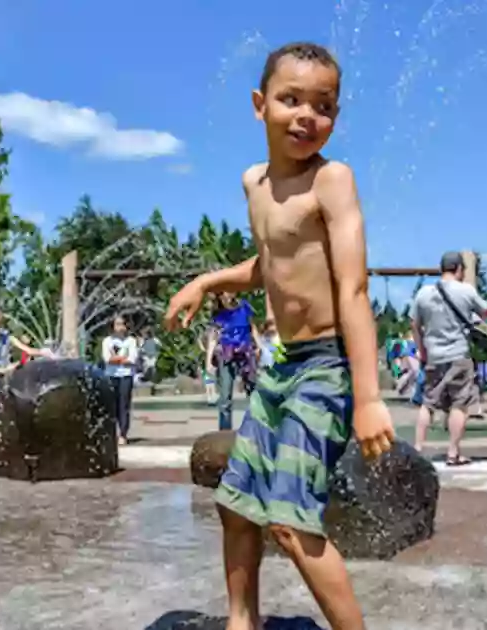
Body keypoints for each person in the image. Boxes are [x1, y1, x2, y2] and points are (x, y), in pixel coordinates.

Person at [162, 41, 394, 630]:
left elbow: (354, 290)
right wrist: (207, 281)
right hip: (284, 364)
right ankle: (244, 623)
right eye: (291, 100)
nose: (306, 115)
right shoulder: (255, 184)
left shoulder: (332, 180)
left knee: (289, 520)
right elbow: (270, 262)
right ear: (260, 104)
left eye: (323, 105)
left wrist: (367, 398)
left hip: (327, 366)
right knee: (236, 503)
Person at [412, 251, 487, 465]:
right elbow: (486, 313)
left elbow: (415, 325)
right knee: (459, 403)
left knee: (428, 403)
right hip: (458, 354)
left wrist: (422, 350)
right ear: (459, 269)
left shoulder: (423, 293)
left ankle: (418, 447)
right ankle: (453, 453)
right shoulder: (466, 291)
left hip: (433, 355)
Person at [0, 305, 49, 475]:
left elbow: (26, 350)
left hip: (0, 383)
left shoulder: (6, 336)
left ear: (2, 319)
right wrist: (2, 370)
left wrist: (44, 353)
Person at [211, 292, 259, 431]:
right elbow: (214, 337)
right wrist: (209, 361)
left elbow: (252, 328)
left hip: (245, 353)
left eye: (228, 291)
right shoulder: (218, 314)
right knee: (225, 397)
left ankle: (255, 429)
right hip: (226, 354)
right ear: (219, 297)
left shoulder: (244, 307)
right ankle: (224, 431)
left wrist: (260, 346)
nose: (226, 295)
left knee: (253, 392)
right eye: (223, 293)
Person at [102, 316, 140, 445]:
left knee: (124, 405)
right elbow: (107, 359)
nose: (119, 327)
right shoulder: (107, 341)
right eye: (117, 324)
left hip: (126, 376)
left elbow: (132, 360)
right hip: (111, 376)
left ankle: (123, 434)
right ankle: (111, 433)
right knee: (111, 406)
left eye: (122, 324)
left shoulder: (131, 341)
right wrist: (122, 358)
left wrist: (116, 359)